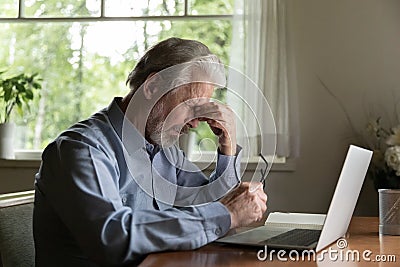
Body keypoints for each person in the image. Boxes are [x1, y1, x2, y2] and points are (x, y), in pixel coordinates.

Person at [33, 37, 267, 266]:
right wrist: (228, 213)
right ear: (153, 86)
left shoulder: (165, 150)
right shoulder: (83, 149)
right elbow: (112, 239)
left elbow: (217, 210)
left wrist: (227, 149)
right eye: (191, 106)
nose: (196, 123)